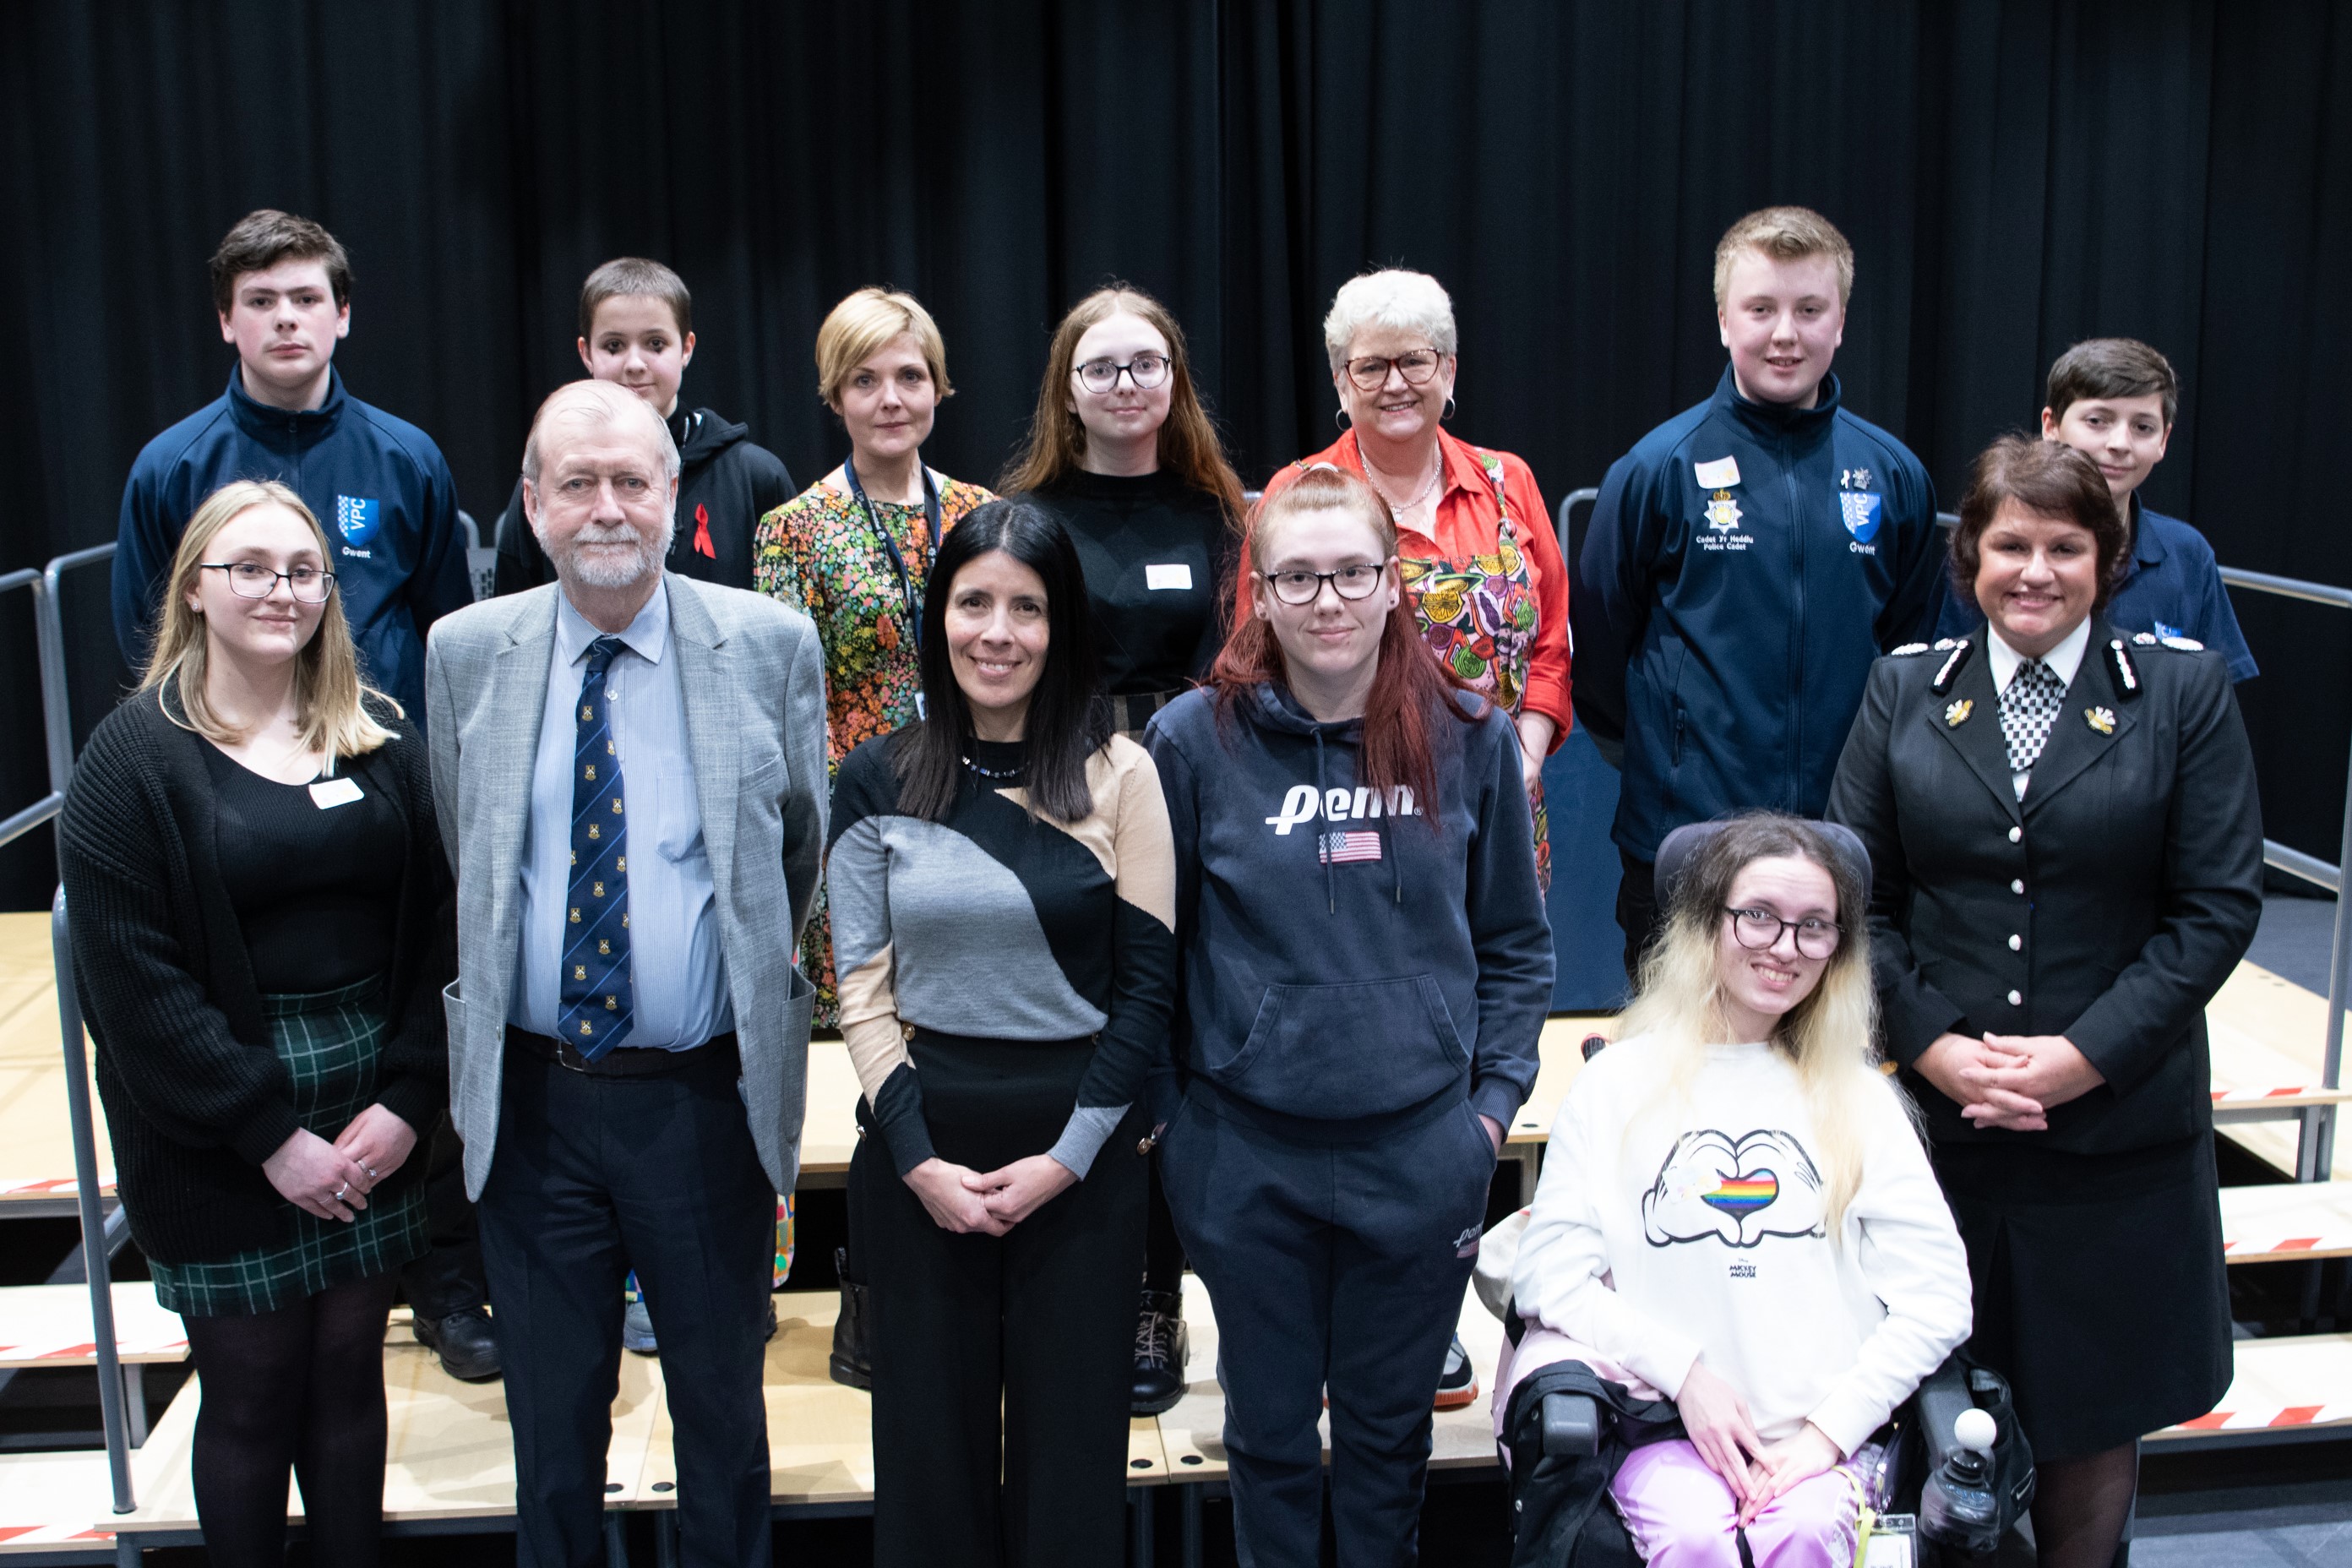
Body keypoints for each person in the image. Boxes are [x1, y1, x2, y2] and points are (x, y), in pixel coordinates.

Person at [1827, 436, 2262, 1568]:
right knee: (1927, 1435)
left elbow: (2214, 909)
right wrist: (1931, 1048)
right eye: (2010, 543)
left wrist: (2083, 1058)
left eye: (2065, 546)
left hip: (2113, 1140)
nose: (2036, 569)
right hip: (1938, 1139)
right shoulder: (1901, 691)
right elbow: (1854, 902)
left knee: (2087, 1436)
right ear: (1970, 554)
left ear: (2107, 558)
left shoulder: (2183, 693)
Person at [426, 380, 827, 1568]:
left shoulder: (767, 644)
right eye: (578, 485)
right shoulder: (466, 653)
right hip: (534, 1102)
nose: (608, 509)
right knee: (551, 1437)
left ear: (671, 496)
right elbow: (468, 849)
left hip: (704, 1102)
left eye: (633, 483)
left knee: (721, 1418)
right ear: (534, 505)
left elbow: (795, 851)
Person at [1146, 466, 1554, 1566]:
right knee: (1270, 1446)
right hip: (1244, 1155)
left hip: (1418, 1155)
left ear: (1392, 586)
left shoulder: (1468, 732)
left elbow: (1516, 945)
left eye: (1352, 574)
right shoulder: (1190, 743)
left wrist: (1486, 1116)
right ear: (1261, 593)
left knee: (1387, 1454)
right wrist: (1174, 1127)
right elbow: (1151, 957)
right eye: (1300, 577)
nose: (1328, 600)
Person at [61, 481, 451, 1567]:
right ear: (193, 586)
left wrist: (412, 1099)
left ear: (330, 591)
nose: (280, 590)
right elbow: (133, 990)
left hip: (371, 1108)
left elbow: (442, 934)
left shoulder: (379, 737)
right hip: (220, 1130)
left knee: (348, 1376)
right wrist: (269, 1136)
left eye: (303, 569)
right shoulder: (131, 761)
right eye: (249, 567)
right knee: (249, 1395)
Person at [828, 500, 1177, 1566]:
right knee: (928, 1469)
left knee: (1071, 1475)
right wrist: (921, 1161)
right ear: (940, 617)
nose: (998, 630)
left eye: (1027, 607)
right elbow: (861, 991)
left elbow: (1147, 994)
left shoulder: (1124, 773)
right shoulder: (878, 776)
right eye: (974, 601)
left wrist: (1066, 1163)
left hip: (1081, 1165)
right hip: (919, 1155)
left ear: (1060, 625)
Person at [1505, 814, 1974, 1566]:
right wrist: (1684, 1373)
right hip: (1664, 1428)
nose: (1785, 948)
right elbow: (1547, 1276)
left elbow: (1941, 1298)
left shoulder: (1862, 1099)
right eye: (1758, 917)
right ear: (1705, 924)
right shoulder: (1616, 1085)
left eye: (1814, 927)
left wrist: (1829, 1434)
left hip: (1825, 1439)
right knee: (1696, 1540)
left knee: (1802, 1533)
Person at [1572, 205, 1944, 979]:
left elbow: (1913, 650)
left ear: (1840, 322)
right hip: (1686, 841)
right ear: (1722, 321)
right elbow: (1604, 645)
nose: (1786, 333)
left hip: (1844, 844)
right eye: (1762, 309)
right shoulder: (1656, 469)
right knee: (1682, 1077)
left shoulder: (1892, 475)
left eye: (1810, 310)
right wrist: (1664, 754)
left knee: (1823, 1083)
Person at [999, 282, 1246, 1415]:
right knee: (1094, 1047)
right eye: (1100, 367)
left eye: (1146, 364)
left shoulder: (1224, 511)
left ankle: (1175, 1294)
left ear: (1175, 379)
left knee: (1187, 1050)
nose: (1125, 385)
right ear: (1068, 388)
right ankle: (1101, 1291)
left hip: (1205, 799)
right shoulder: (1032, 513)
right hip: (1072, 799)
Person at [1251, 269, 1570, 894]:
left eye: (1415, 362)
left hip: (1496, 800)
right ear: (1341, 382)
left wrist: (1522, 761)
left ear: (1448, 370)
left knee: (1502, 976)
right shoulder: (1297, 496)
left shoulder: (1509, 483)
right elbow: (1258, 659)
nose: (1395, 383)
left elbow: (1552, 647)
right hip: (1348, 810)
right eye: (1370, 367)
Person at [112, 209, 471, 722]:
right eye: (261, 300)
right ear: (226, 321)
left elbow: (448, 628)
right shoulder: (170, 467)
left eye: (306, 299)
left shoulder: (409, 458)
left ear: (342, 315)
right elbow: (147, 637)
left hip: (381, 739)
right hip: (230, 751)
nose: (286, 317)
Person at [753, 286, 996, 1029]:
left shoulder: (979, 514)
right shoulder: (791, 532)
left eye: (910, 377)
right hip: (855, 820)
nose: (891, 399)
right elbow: (785, 705)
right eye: (866, 381)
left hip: (977, 803)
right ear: (835, 396)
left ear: (938, 388)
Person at [1931, 337, 2257, 680]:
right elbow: (1946, 676)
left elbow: (2214, 693)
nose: (2119, 444)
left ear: (2164, 440)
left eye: (2143, 427)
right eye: (2097, 421)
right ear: (2051, 426)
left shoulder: (2189, 556)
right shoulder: (1994, 540)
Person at [493, 256, 797, 596]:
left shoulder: (754, 476)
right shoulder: (548, 478)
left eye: (655, 344)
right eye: (614, 346)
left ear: (686, 348)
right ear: (586, 353)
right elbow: (515, 621)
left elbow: (786, 625)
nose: (635, 364)